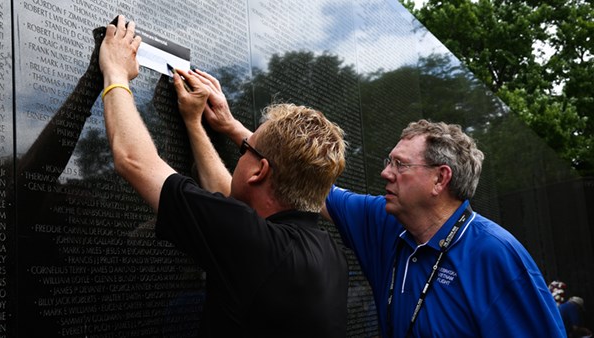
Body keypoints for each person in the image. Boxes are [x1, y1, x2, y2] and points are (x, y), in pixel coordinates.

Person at [98, 15, 349, 337]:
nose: (241, 154)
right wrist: (193, 123)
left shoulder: (257, 245)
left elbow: (135, 160)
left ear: (260, 170)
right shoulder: (327, 251)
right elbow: (227, 200)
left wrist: (116, 71)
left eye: (246, 149)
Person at [321, 120, 566, 337]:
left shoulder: (494, 254)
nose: (386, 173)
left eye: (400, 164)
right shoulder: (384, 221)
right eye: (389, 162)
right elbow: (312, 190)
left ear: (440, 179)